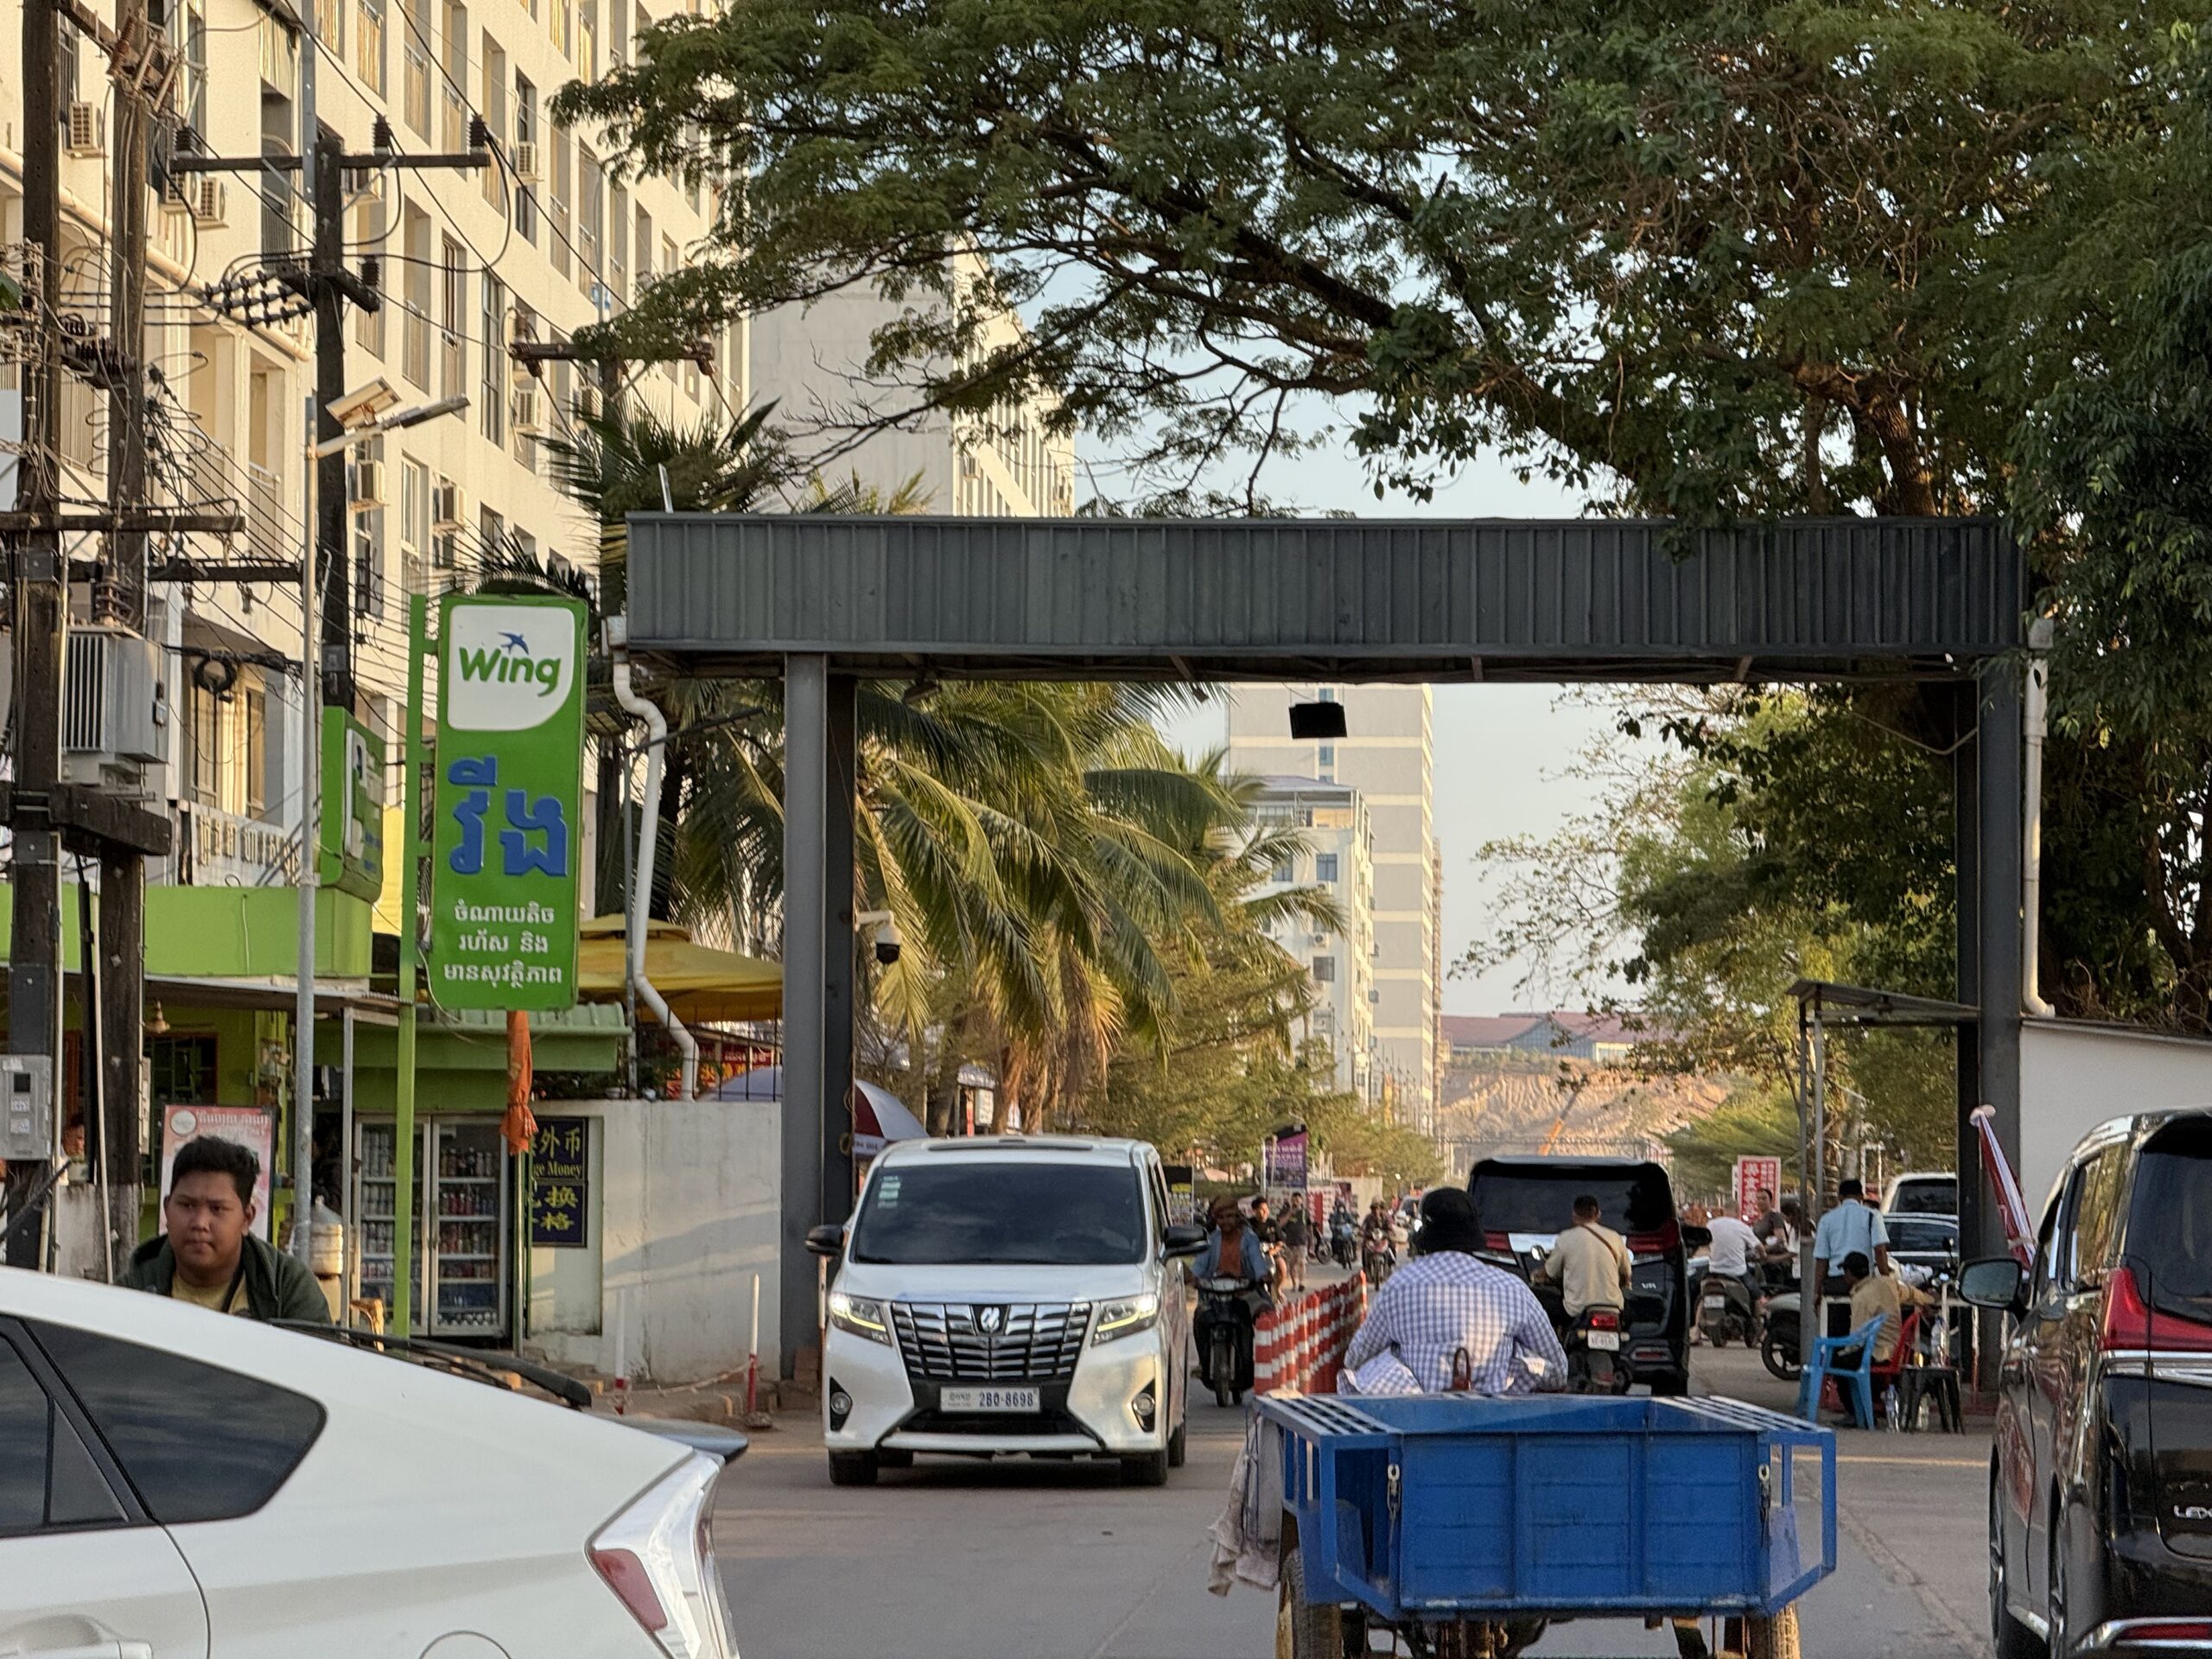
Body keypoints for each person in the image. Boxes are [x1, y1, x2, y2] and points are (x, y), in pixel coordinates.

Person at [1340, 1188, 1567, 1395]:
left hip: (1417, 1426)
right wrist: (1515, 1361)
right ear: (1475, 1235)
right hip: (1494, 1425)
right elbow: (1557, 1371)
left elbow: (1356, 1359)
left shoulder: (1398, 1286)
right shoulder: (1512, 1289)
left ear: (1426, 1236)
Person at [121, 1136, 330, 1321]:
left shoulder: (286, 1289)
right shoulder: (132, 1291)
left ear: (246, 1218)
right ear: (167, 1209)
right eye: (187, 1205)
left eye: (217, 1208)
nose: (200, 1222)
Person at [1533, 1193, 1630, 1317]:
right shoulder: (1615, 1237)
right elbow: (1626, 1275)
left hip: (1576, 1310)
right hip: (1614, 1307)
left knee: (1542, 1306)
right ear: (1598, 1214)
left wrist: (1536, 1275)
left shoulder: (1565, 1238)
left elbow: (1550, 1272)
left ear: (1574, 1215)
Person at [1813, 1178, 1891, 1293]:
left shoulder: (1826, 1220)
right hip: (1864, 1281)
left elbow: (1822, 1259)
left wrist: (1816, 1290)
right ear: (1861, 1197)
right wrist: (1886, 1280)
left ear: (1840, 1197)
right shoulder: (1872, 1216)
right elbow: (1879, 1250)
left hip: (1836, 1282)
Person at [1704, 1207, 1764, 1306]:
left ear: (1723, 1212)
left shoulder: (1710, 1225)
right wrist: (1763, 1255)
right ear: (1737, 1212)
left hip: (1714, 1272)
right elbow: (1759, 1247)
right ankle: (1758, 1320)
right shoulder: (1742, 1226)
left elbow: (1705, 1244)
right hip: (1737, 1273)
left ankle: (1696, 1321)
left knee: (1701, 1297)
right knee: (1758, 1296)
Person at [1280, 1200, 1310, 1289]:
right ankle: (1294, 1284)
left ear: (1301, 1200)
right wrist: (1289, 1213)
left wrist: (1310, 1244)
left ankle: (1301, 1283)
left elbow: (1309, 1227)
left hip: (1302, 1242)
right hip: (1290, 1243)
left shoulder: (1304, 1212)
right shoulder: (1285, 1212)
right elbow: (1280, 1224)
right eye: (1294, 1199)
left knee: (1302, 1263)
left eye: (1298, 1199)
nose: (1296, 1201)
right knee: (1292, 1265)